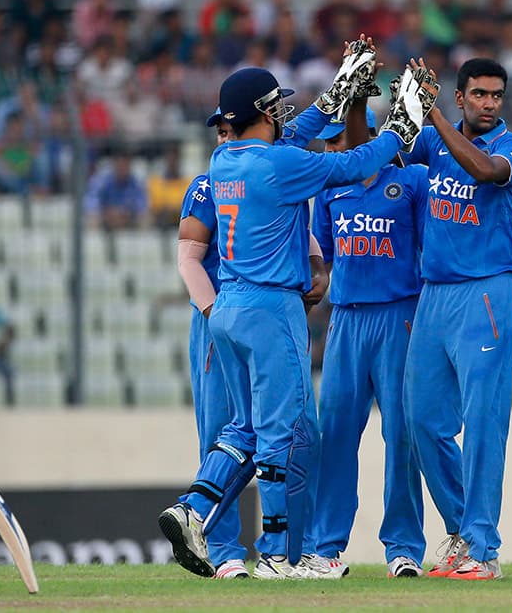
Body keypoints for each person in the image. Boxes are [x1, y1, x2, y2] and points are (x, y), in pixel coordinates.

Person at [159, 60, 430, 580]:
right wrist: (400, 123)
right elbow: (356, 163)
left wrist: (333, 97)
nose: (286, 112)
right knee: (279, 433)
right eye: (276, 106)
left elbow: (296, 135)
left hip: (229, 308)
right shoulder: (279, 167)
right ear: (262, 112)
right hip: (270, 308)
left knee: (244, 428)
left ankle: (191, 508)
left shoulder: (224, 161)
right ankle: (280, 556)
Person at [176, 97, 336, 579]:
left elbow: (300, 238)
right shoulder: (212, 182)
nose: (224, 137)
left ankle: (289, 545)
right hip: (230, 317)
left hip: (254, 313)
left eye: (229, 127)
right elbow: (188, 259)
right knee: (233, 427)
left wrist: (315, 270)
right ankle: (226, 552)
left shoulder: (263, 170)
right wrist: (212, 310)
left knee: (285, 429)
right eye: (219, 130)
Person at [400, 57, 512, 580]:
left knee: (482, 423)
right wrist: (383, 99)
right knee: (421, 420)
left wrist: (430, 117)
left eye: (496, 95)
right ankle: (462, 530)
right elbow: (380, 153)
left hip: (489, 292)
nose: (488, 103)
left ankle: (483, 549)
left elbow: (483, 170)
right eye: (478, 94)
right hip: (435, 295)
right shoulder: (433, 140)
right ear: (461, 97)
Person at [309, 103, 429, 578]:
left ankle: (403, 548)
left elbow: (430, 247)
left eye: (340, 142)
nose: (333, 150)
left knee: (401, 434)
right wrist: (313, 283)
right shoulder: (330, 189)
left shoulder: (410, 183)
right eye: (328, 143)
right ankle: (325, 547)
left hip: (400, 317)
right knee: (335, 434)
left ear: (368, 139)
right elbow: (322, 255)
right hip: (347, 321)